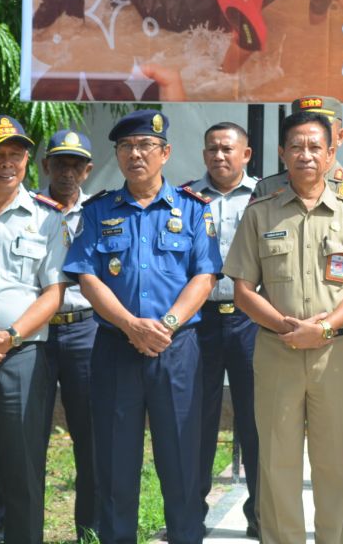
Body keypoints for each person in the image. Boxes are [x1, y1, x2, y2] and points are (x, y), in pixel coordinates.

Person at [63, 110, 222, 544]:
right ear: (117, 154)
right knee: (115, 464)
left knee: (182, 462)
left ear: (165, 153)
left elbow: (204, 275)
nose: (136, 154)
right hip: (116, 348)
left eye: (145, 146)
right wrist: (131, 324)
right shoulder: (98, 211)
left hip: (177, 350)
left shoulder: (193, 209)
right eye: (126, 147)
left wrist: (165, 325)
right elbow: (87, 275)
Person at [225, 110, 343, 544]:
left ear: (331, 153)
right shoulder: (260, 214)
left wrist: (324, 329)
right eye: (296, 146)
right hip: (277, 352)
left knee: (335, 463)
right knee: (277, 464)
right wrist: (285, 327)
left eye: (315, 146)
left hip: (336, 354)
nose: (305, 155)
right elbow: (242, 289)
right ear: (281, 153)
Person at [0, 116, 69, 544]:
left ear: (28, 161)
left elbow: (53, 292)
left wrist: (10, 334)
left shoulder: (46, 220)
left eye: (16, 155)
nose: (7, 163)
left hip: (23, 358)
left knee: (23, 469)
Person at [184, 123, 260, 538]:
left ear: (245, 154)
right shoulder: (186, 197)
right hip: (200, 321)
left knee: (257, 421)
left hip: (252, 321)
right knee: (196, 420)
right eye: (211, 149)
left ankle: (262, 515)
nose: (219, 156)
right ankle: (189, 515)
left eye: (228, 149)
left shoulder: (266, 194)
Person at [40, 130, 98, 541]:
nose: (67, 171)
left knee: (90, 435)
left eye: (76, 163)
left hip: (85, 332)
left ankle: (90, 528)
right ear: (45, 166)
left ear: (87, 170)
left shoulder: (99, 213)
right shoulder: (28, 209)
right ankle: (2, 526)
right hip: (34, 336)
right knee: (15, 434)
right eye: (59, 162)